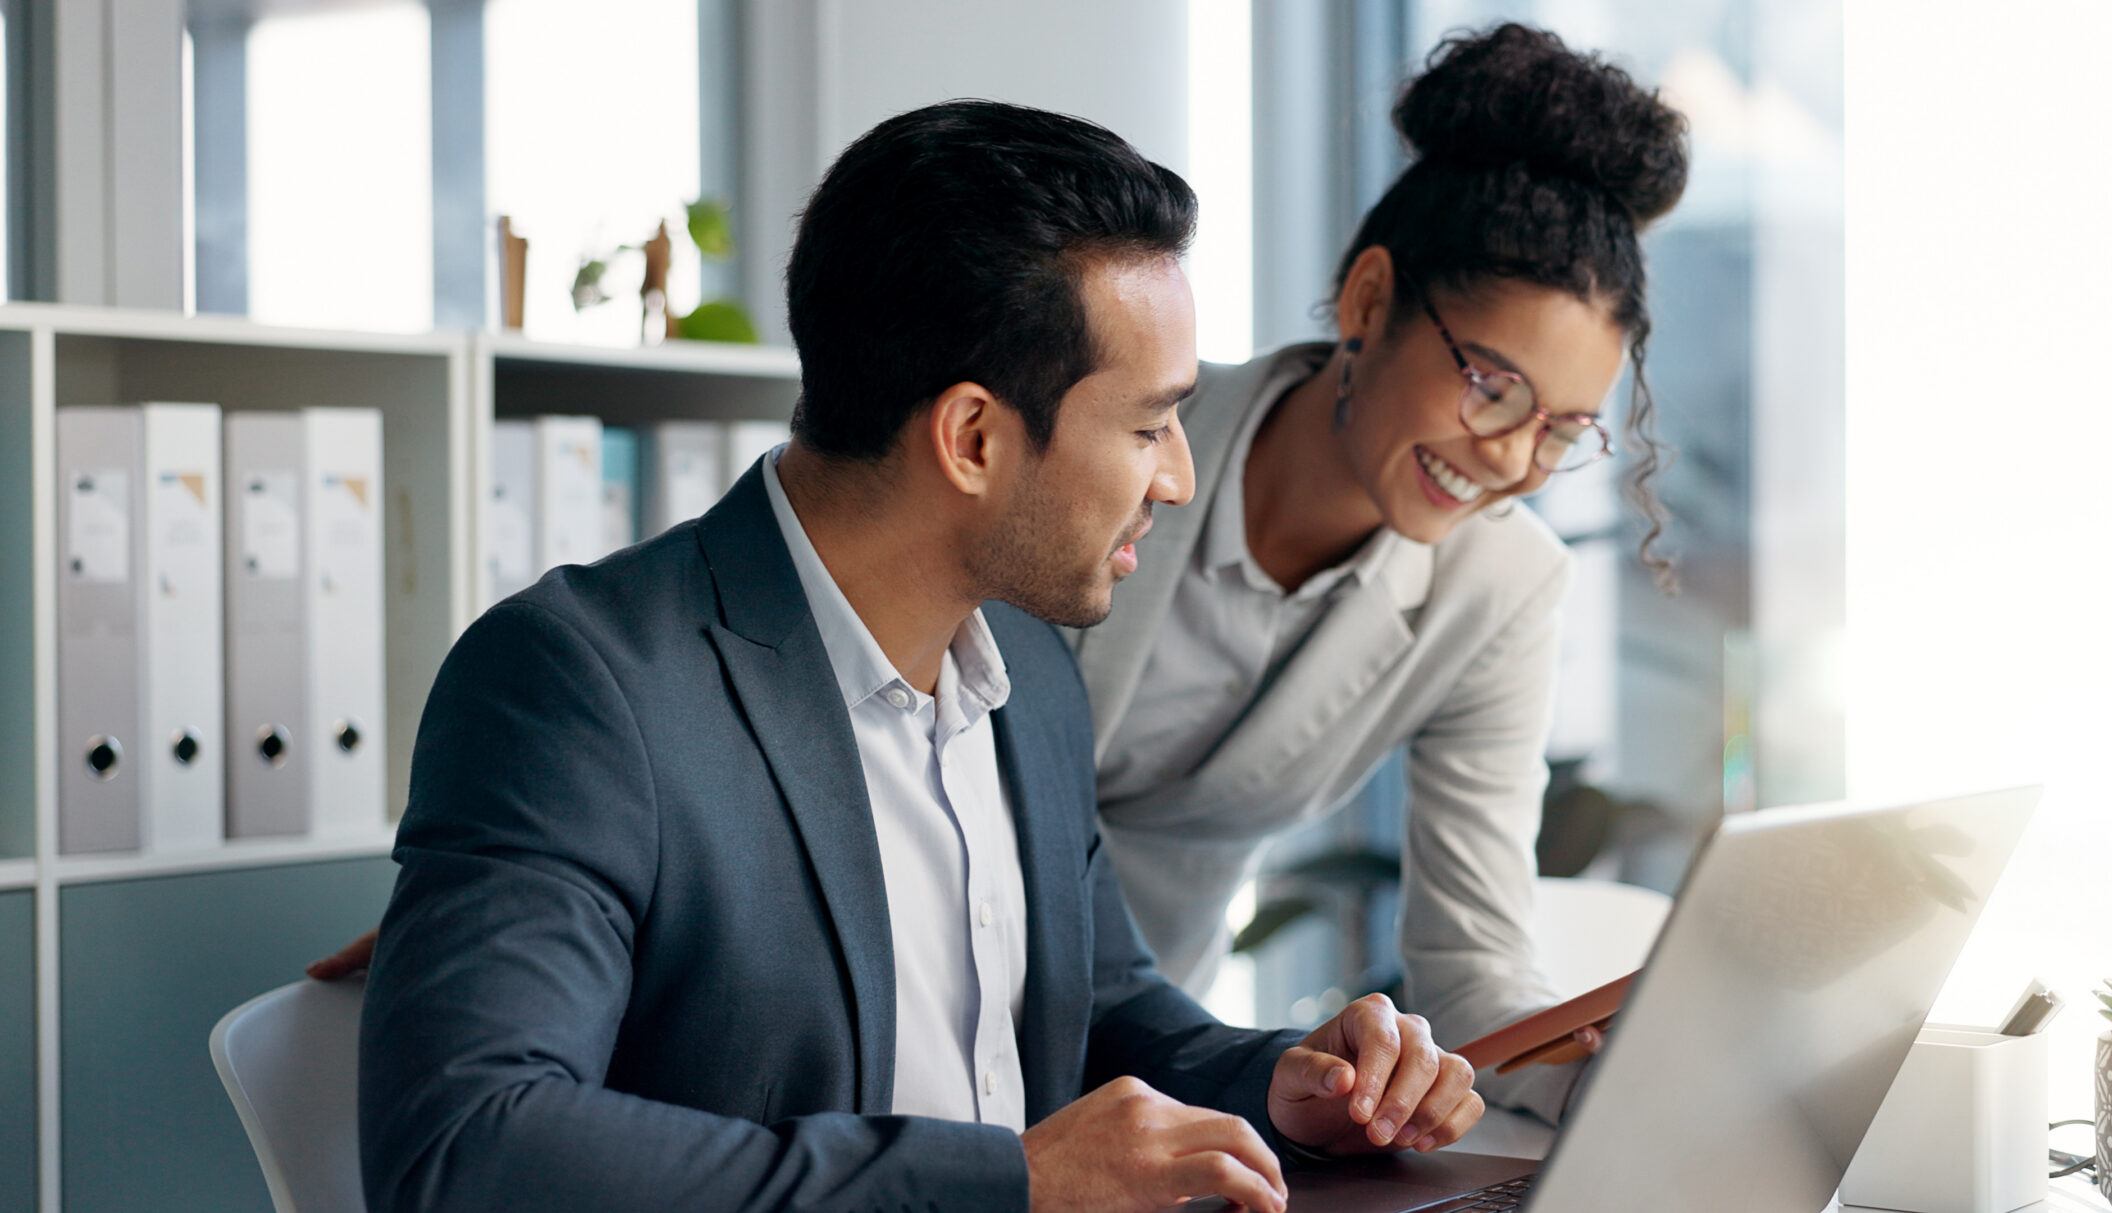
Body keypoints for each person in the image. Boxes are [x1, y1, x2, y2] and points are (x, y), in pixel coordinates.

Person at [356, 100, 1483, 1213]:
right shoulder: (578, 684)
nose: (1177, 478)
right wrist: (1006, 1183)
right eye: (1148, 426)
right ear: (973, 438)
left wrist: (1284, 1086)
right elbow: (466, 1148)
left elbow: (1094, 1002)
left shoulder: (1026, 665)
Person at [1073, 24, 1689, 1120]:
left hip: (1162, 1071)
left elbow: (1472, 957)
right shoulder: (1114, 438)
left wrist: (1614, 1089)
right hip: (921, 1015)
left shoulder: (1499, 587)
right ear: (1368, 300)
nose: (1510, 460)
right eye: (1492, 386)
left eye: (1561, 432)